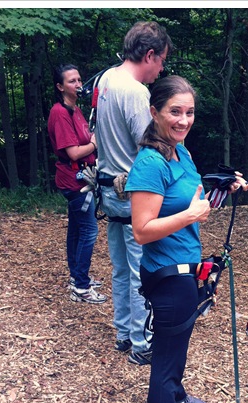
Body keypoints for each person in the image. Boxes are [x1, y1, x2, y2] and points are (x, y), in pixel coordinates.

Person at [125, 75, 248, 403]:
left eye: (190, 112)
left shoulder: (181, 153)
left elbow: (194, 205)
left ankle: (176, 397)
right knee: (165, 359)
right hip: (167, 274)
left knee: (177, 347)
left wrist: (223, 189)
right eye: (175, 112)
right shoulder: (151, 163)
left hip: (185, 268)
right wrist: (190, 216)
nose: (184, 120)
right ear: (155, 112)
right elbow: (141, 229)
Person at [95, 22, 173, 364]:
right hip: (134, 195)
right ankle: (143, 345)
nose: (161, 70)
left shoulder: (106, 80)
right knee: (144, 272)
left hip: (109, 189)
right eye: (161, 61)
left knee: (121, 269)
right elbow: (151, 146)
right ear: (150, 54)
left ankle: (125, 333)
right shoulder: (136, 92)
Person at [48, 64, 106, 304]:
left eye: (79, 80)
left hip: (82, 177)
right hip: (74, 181)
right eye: (72, 81)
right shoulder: (60, 113)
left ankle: (77, 277)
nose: (78, 84)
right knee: (89, 231)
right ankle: (81, 286)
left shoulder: (76, 110)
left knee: (77, 229)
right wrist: (95, 144)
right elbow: (73, 152)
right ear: (60, 87)